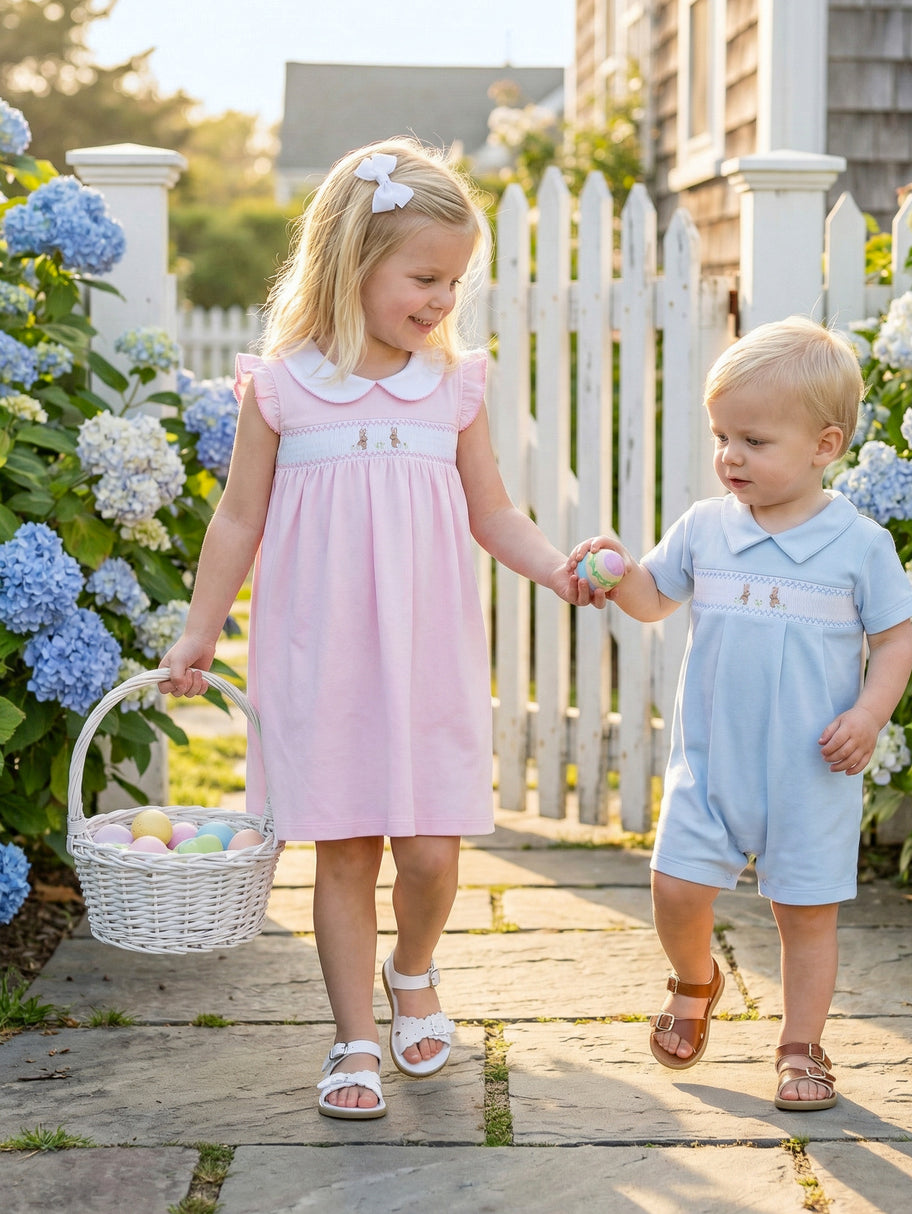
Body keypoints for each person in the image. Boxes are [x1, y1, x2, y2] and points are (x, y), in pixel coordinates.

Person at [159, 141, 602, 1121]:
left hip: (429, 653)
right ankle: (354, 1036)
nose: (444, 299)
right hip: (322, 657)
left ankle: (415, 970)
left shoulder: (454, 386)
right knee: (346, 851)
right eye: (426, 277)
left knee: (434, 854)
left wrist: (558, 568)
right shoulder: (280, 387)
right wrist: (200, 632)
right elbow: (238, 518)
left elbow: (495, 514)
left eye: (455, 280)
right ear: (352, 260)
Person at [568, 315, 912, 1111]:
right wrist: (617, 568)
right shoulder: (705, 528)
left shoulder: (858, 544)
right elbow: (655, 600)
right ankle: (697, 978)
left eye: (754, 441)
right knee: (675, 889)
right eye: (723, 435)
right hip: (712, 763)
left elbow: (895, 642)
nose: (731, 456)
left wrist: (869, 714)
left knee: (804, 915)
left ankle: (801, 1046)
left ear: (824, 446)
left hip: (811, 772)